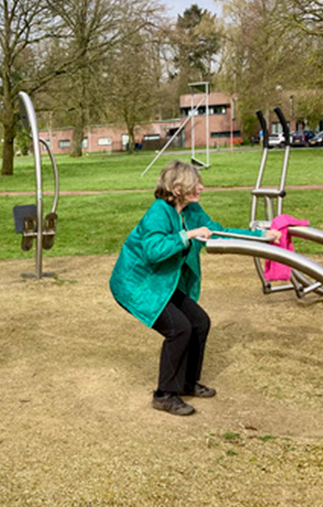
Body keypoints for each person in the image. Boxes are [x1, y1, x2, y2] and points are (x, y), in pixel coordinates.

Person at [108, 160, 280, 416]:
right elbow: (154, 251)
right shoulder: (158, 212)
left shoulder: (191, 210)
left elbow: (218, 232)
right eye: (195, 184)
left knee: (199, 322)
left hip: (161, 282)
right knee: (179, 329)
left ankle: (187, 382)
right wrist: (187, 236)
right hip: (137, 285)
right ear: (177, 189)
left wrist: (261, 238)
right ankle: (164, 394)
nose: (201, 187)